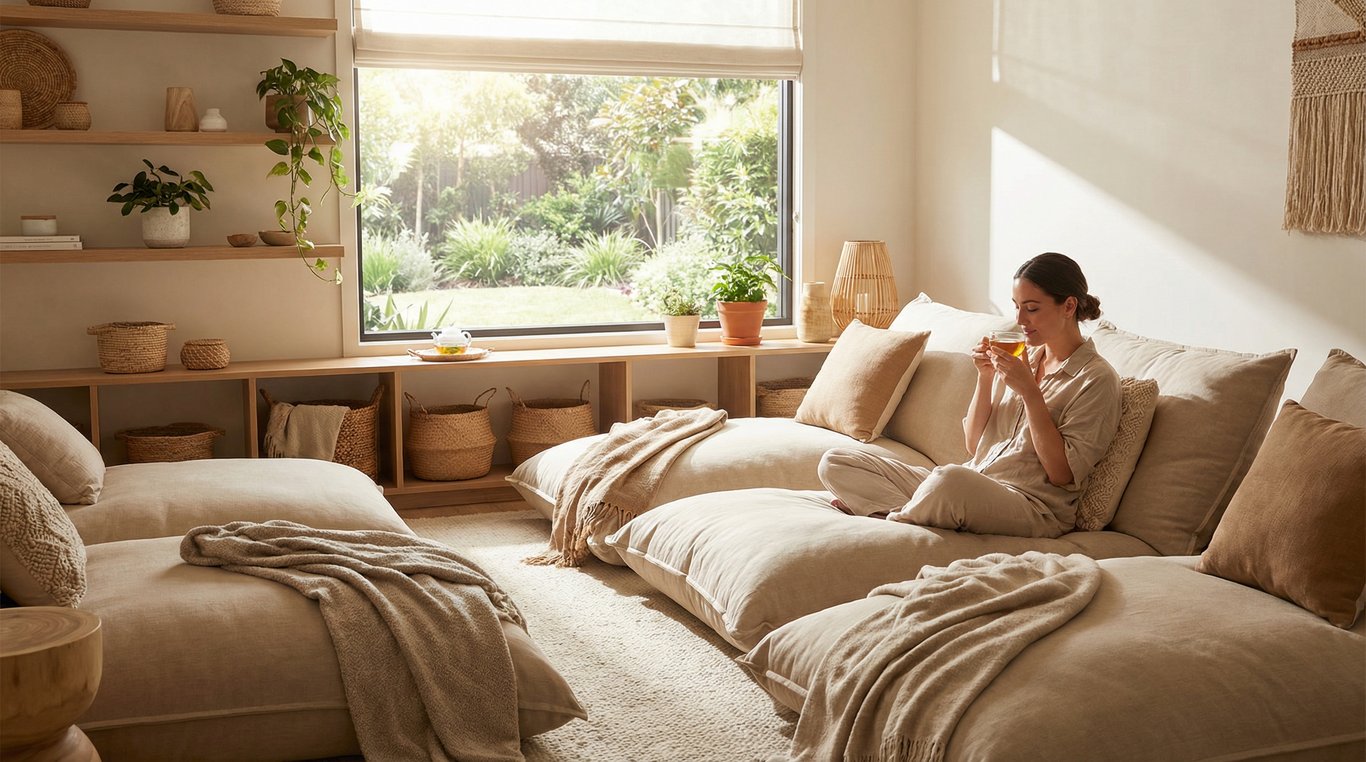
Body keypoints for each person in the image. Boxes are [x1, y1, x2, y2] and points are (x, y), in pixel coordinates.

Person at [818, 252, 1121, 538]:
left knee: (949, 481)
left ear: (1068, 306)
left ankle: (893, 519)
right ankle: (910, 511)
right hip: (976, 480)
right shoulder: (1022, 358)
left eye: (1031, 308)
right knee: (836, 462)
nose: (1020, 320)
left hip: (1030, 505)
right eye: (1015, 306)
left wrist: (1030, 393)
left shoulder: (1096, 379)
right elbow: (974, 445)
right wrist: (985, 377)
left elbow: (1061, 474)